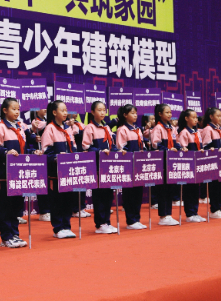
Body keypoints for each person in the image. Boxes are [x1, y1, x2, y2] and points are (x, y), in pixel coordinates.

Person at [0, 98, 43, 248]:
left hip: (19, 175)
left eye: (18, 109)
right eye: (13, 109)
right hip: (5, 175)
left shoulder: (20, 127)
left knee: (16, 206)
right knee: (5, 206)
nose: (17, 112)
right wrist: (6, 152)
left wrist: (33, 152)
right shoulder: (0, 127)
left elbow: (22, 150)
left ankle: (15, 234)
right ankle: (6, 237)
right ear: (5, 110)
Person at [42, 100, 77, 239]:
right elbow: (46, 152)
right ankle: (58, 228)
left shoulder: (68, 129)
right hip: (55, 173)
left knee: (68, 200)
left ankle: (66, 226)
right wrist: (58, 157)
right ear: (54, 112)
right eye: (62, 110)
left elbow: (73, 147)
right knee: (57, 201)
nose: (65, 113)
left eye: (66, 110)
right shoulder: (49, 128)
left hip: (68, 172)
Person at [82, 101, 117, 234]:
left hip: (108, 166)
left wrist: (117, 152)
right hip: (97, 166)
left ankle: (107, 222)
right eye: (99, 110)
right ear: (92, 112)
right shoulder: (90, 128)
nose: (102, 112)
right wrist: (100, 152)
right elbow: (86, 147)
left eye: (104, 110)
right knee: (99, 196)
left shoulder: (106, 127)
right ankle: (100, 224)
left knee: (108, 195)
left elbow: (112, 145)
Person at [115, 104, 146, 230]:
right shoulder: (122, 130)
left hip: (139, 165)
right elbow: (120, 148)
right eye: (132, 113)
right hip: (128, 166)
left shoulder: (138, 129)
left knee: (138, 193)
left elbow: (142, 145)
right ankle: (131, 220)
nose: (135, 115)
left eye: (135, 113)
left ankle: (137, 218)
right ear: (125, 115)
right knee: (129, 194)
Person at [150, 103, 179, 226]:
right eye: (167, 112)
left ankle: (168, 214)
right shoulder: (158, 128)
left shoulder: (172, 128)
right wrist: (168, 150)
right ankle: (163, 216)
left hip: (171, 162)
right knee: (163, 189)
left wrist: (180, 148)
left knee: (170, 189)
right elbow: (155, 144)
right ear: (160, 114)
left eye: (170, 112)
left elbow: (176, 142)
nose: (169, 114)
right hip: (162, 162)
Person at [175, 109, 206, 223]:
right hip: (189, 165)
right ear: (186, 118)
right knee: (189, 190)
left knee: (195, 189)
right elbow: (183, 149)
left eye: (196, 117)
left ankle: (195, 212)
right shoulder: (184, 132)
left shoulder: (197, 132)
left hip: (197, 164)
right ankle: (189, 213)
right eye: (193, 117)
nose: (196, 119)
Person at [200, 107, 221, 219]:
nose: (220, 118)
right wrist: (216, 150)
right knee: (215, 187)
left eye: (220, 116)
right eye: (217, 116)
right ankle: (214, 209)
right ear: (211, 116)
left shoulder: (218, 129)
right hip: (213, 162)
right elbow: (205, 147)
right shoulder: (208, 129)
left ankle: (219, 208)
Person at [30, 109, 50, 222]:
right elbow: (40, 126)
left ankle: (48, 210)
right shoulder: (35, 122)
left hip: (46, 156)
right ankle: (44, 211)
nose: (45, 109)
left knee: (48, 184)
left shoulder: (45, 121)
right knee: (42, 184)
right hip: (38, 156)